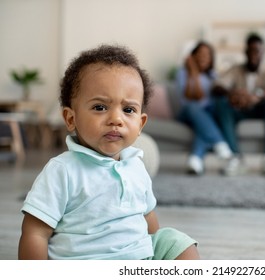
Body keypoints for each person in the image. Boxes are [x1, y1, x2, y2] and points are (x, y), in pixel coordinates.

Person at [18, 44, 200, 260]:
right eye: (100, 107)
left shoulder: (136, 165)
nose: (116, 119)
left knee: (176, 242)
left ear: (140, 124)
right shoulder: (63, 170)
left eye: (128, 110)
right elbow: (35, 233)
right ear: (70, 118)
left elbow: (148, 217)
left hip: (136, 258)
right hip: (87, 261)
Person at [213, 34, 265, 176]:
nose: (254, 54)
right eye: (250, 50)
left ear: (263, 52)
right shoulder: (236, 69)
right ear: (245, 52)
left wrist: (258, 96)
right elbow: (217, 86)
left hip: (263, 109)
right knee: (221, 103)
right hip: (241, 109)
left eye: (257, 50)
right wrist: (233, 94)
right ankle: (235, 157)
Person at [176, 41, 232, 175]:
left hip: (206, 116)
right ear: (193, 56)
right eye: (200, 54)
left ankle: (195, 160)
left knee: (203, 124)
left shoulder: (213, 76)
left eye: (207, 55)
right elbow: (192, 96)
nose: (203, 57)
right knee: (194, 106)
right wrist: (194, 72)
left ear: (211, 59)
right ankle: (220, 144)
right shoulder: (183, 73)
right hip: (188, 112)